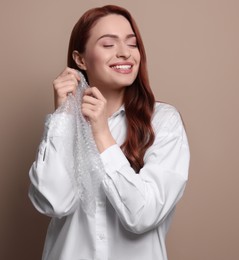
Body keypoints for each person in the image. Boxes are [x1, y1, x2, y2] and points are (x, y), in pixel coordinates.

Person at [28, 5, 190, 260]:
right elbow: (53, 202)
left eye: (132, 44)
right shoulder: (67, 124)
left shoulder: (164, 122)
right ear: (80, 59)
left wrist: (102, 133)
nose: (125, 53)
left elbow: (143, 214)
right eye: (108, 45)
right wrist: (62, 119)